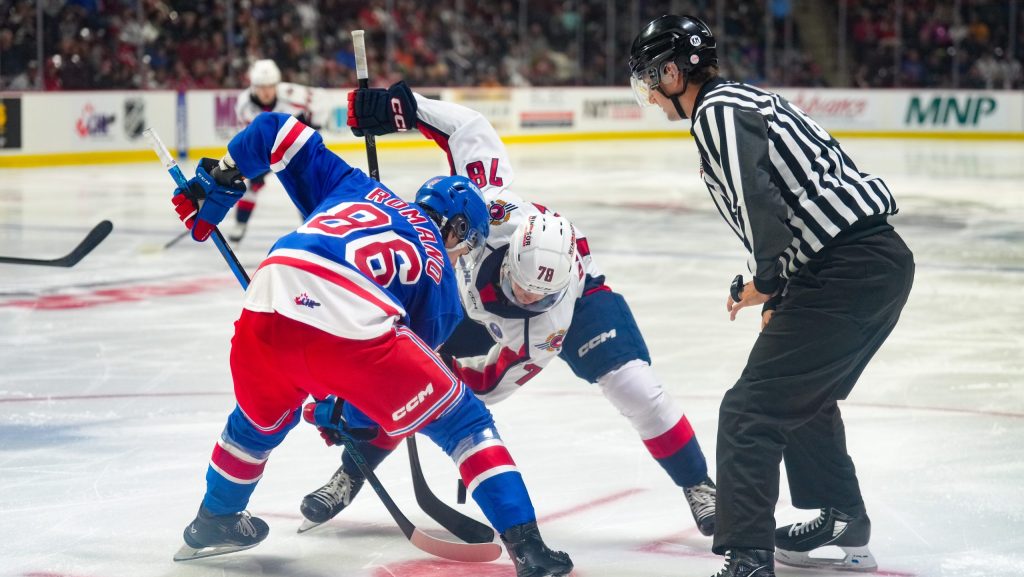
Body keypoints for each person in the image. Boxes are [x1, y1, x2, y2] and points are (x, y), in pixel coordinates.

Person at [298, 81, 717, 538]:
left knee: (637, 388)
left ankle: (699, 484)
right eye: (523, 288)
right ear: (509, 250)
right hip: (466, 300)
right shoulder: (491, 205)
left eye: (540, 296)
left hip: (583, 303)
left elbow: (486, 385)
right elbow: (468, 129)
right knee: (400, 361)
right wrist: (404, 108)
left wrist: (437, 379)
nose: (531, 298)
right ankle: (351, 471)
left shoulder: (544, 328)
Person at [168, 110, 573, 577]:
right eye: (466, 244)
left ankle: (214, 518)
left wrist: (222, 177)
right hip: (349, 326)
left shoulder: (356, 187)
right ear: (458, 230)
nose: (462, 255)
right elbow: (389, 391)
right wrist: (345, 416)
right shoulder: (441, 281)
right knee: (465, 422)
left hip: (267, 304)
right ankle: (529, 548)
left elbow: (274, 131)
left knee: (256, 424)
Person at [627, 14, 915, 577]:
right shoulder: (741, 100)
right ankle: (842, 522)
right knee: (797, 397)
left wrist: (769, 281)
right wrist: (783, 289)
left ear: (670, 71)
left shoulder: (716, 111)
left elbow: (762, 203)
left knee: (749, 411)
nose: (650, 95)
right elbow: (791, 202)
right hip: (863, 263)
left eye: (649, 78)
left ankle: (748, 557)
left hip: (847, 268)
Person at [229, 59, 328, 243]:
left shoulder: (293, 95)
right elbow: (249, 138)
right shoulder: (244, 105)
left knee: (303, 184)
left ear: (277, 85)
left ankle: (311, 225)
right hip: (267, 148)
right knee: (253, 184)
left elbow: (320, 99)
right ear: (253, 86)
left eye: (270, 86)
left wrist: (313, 129)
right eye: (261, 86)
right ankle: (240, 223)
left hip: (294, 144)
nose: (266, 91)